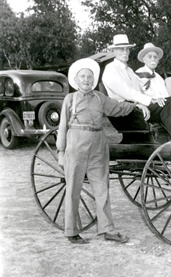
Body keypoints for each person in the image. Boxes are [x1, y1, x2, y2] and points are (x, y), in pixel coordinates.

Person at [57, 58, 149, 244]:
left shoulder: (100, 98)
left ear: (94, 80)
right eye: (83, 76)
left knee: (102, 189)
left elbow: (118, 107)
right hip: (76, 147)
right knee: (73, 189)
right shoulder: (70, 99)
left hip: (98, 147)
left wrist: (136, 104)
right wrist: (61, 151)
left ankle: (107, 230)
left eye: (90, 77)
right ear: (76, 79)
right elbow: (63, 126)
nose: (86, 80)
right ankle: (71, 231)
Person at [102, 34, 171, 140]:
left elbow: (138, 91)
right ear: (114, 51)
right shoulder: (111, 70)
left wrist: (153, 100)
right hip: (125, 111)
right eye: (121, 49)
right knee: (166, 105)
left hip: (135, 107)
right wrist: (145, 102)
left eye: (127, 49)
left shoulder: (129, 71)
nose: (125, 52)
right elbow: (127, 92)